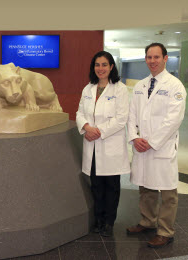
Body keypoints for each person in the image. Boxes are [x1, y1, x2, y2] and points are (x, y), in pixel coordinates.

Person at [126, 43, 186, 248]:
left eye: (156, 57)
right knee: (146, 187)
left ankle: (166, 231)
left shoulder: (175, 86)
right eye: (149, 57)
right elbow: (132, 113)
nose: (152, 61)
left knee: (168, 191)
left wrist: (151, 142)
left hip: (162, 146)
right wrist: (134, 137)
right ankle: (147, 221)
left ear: (165, 58)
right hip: (142, 145)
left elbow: (173, 119)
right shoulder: (140, 85)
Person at [76, 51, 130, 237]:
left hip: (109, 144)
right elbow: (80, 113)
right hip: (92, 145)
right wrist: (85, 127)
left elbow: (121, 118)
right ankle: (98, 220)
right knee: (96, 185)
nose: (101, 68)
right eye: (97, 65)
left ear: (111, 67)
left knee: (111, 186)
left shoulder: (120, 89)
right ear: (94, 67)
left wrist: (98, 131)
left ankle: (109, 221)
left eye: (104, 64)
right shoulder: (88, 89)